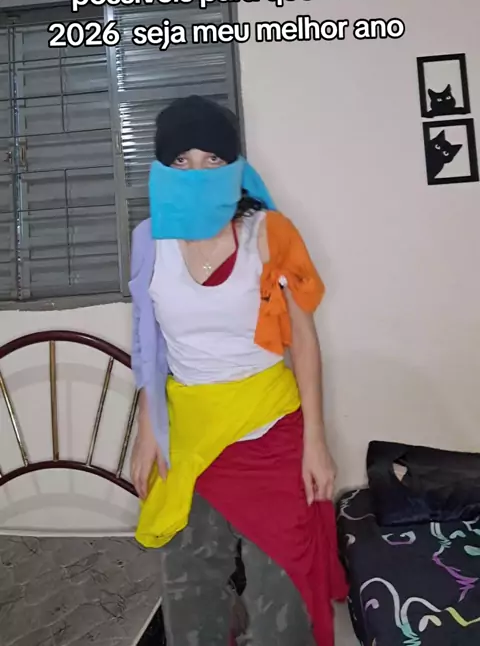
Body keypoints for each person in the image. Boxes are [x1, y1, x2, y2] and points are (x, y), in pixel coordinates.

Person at [129, 95, 348, 646]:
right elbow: (149, 343)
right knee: (190, 597)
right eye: (181, 161)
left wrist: (316, 443)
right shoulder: (148, 240)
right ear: (162, 169)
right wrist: (148, 431)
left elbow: (304, 340)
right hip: (192, 435)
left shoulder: (269, 232)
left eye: (212, 159)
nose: (197, 172)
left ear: (234, 167)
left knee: (281, 603)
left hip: (269, 428)